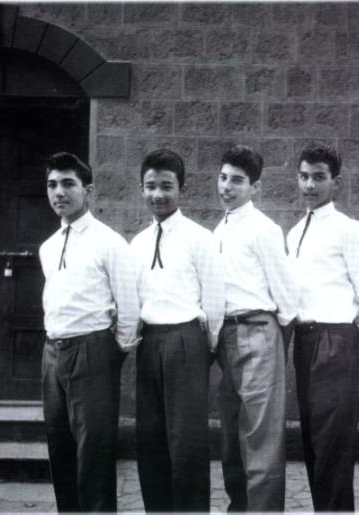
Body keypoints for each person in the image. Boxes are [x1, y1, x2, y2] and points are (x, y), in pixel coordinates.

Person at [39, 152, 139, 512]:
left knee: (93, 453)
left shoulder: (109, 242)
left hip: (93, 352)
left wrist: (111, 353)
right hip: (53, 354)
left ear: (89, 191)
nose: (59, 192)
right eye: (52, 184)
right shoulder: (49, 247)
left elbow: (129, 308)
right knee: (60, 447)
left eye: (68, 184)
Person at [286, 144, 359, 511]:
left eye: (319, 177)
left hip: (337, 341)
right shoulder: (295, 232)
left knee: (332, 443)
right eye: (304, 176)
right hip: (305, 342)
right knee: (313, 439)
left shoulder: (348, 229)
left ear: (335, 182)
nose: (310, 185)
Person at [130, 148, 225, 512]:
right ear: (142, 189)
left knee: (187, 440)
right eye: (150, 186)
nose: (158, 194)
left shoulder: (199, 238)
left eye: (166, 186)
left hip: (187, 341)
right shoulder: (138, 243)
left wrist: (208, 345)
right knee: (150, 437)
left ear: (181, 189)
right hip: (149, 342)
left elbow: (214, 296)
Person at [213, 144, 298, 512]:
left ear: (255, 187)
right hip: (226, 335)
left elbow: (286, 296)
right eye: (223, 178)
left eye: (237, 180)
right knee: (232, 437)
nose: (227, 187)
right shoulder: (220, 227)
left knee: (261, 439)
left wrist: (273, 342)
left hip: (258, 331)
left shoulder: (264, 229)